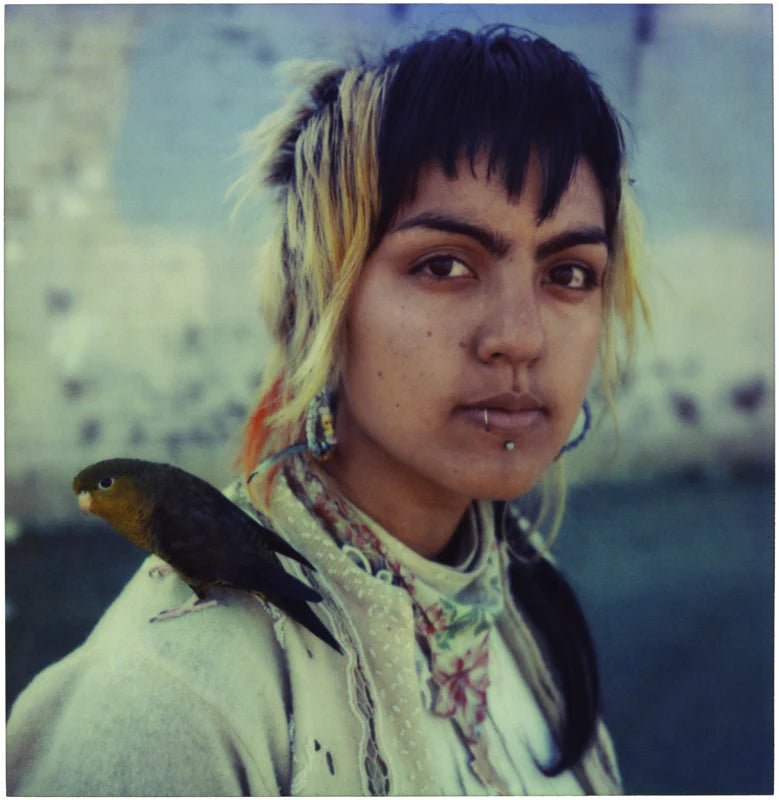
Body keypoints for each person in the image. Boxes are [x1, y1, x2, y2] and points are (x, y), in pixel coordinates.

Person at [7, 25, 647, 795]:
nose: (520, 337)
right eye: (444, 264)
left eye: (569, 274)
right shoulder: (168, 709)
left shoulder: (525, 606)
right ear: (323, 301)